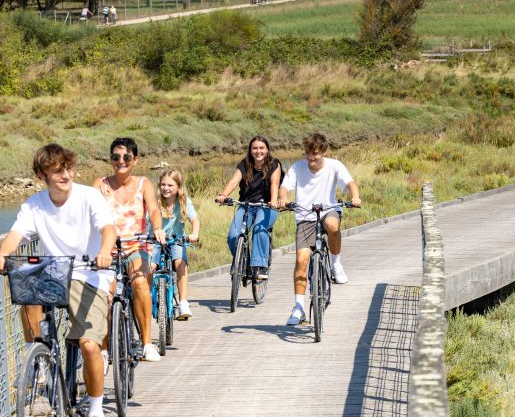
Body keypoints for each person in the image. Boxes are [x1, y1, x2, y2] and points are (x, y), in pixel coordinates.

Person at [0, 143, 116, 417]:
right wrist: (4, 254)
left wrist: (103, 251)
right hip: (54, 272)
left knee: (88, 345)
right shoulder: (34, 205)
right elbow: (16, 233)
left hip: (89, 274)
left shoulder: (89, 196)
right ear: (42, 175)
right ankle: (40, 356)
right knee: (25, 284)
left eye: (68, 169)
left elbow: (108, 228)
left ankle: (96, 413)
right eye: (57, 171)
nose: (65, 175)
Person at [93, 137, 166, 362]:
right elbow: (87, 211)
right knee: (105, 293)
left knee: (140, 282)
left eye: (126, 157)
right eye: (116, 157)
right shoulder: (100, 185)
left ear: (135, 159)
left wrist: (157, 228)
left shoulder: (144, 184)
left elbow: (153, 209)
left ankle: (146, 343)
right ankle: (104, 350)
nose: (120, 161)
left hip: (136, 244)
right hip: (108, 248)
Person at [277, 133, 361, 327]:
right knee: (301, 260)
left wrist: (355, 197)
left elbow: (350, 184)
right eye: (307, 153)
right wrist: (282, 198)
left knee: (332, 226)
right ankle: (298, 307)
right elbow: (285, 187)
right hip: (305, 214)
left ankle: (335, 263)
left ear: (323, 152)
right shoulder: (297, 167)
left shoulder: (335, 165)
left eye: (315, 154)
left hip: (327, 209)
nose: (311, 158)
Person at [215, 136, 282, 282]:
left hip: (266, 206)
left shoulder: (274, 164)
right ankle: (244, 263)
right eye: (255, 148)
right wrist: (224, 195)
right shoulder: (245, 164)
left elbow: (275, 184)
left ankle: (260, 265)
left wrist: (274, 201)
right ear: (250, 150)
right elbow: (233, 181)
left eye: (261, 148)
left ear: (267, 149)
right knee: (233, 235)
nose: (258, 151)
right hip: (246, 205)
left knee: (259, 229)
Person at [153, 168, 200, 320]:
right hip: (155, 240)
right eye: (163, 184)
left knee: (180, 263)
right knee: (151, 266)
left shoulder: (184, 201)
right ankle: (146, 297)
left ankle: (183, 302)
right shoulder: (154, 201)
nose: (166, 188)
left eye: (170, 185)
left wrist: (194, 233)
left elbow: (195, 220)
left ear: (178, 187)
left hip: (176, 240)